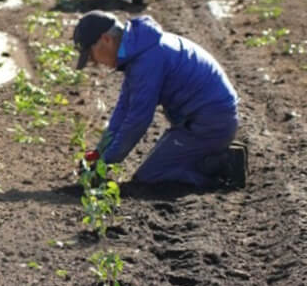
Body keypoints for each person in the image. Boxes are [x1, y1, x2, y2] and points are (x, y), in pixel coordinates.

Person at [72, 11, 247, 188]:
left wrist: (105, 163)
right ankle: (210, 155)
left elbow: (138, 120)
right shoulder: (139, 50)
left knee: (151, 177)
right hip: (199, 122)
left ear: (105, 39)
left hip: (209, 124)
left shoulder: (146, 60)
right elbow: (123, 108)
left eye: (91, 55)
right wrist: (101, 151)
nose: (94, 62)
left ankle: (223, 165)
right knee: (154, 168)